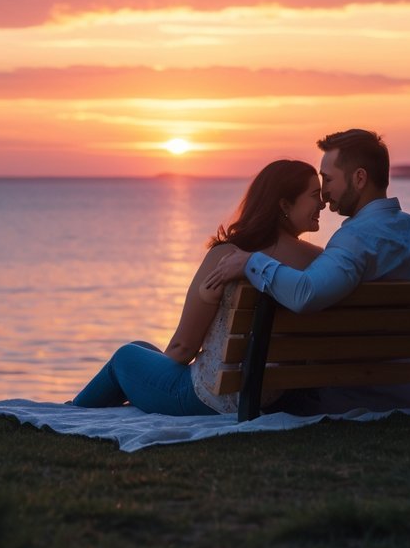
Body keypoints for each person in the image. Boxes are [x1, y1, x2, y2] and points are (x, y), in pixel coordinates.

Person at [203, 128, 410, 415]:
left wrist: (251, 262)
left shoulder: (356, 239)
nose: (325, 193)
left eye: (328, 179)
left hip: (344, 397)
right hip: (407, 394)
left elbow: (306, 293)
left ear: (359, 178)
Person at [71, 160, 326, 415]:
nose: (323, 203)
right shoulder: (319, 261)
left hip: (213, 398)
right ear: (284, 204)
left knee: (125, 358)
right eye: (315, 195)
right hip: (274, 396)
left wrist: (157, 385)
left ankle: (71, 415)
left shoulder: (227, 256)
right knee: (143, 349)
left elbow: (183, 348)